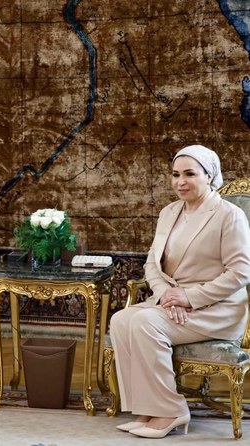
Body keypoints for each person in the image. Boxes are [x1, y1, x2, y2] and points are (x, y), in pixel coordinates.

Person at [109, 144, 250, 438]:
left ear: (209, 176)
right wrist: (164, 296)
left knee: (146, 323)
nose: (180, 182)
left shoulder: (229, 215)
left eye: (189, 174)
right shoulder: (169, 212)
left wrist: (189, 297)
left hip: (216, 309)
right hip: (171, 301)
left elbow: (240, 273)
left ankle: (171, 410)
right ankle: (147, 410)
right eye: (175, 174)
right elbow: (152, 262)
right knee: (121, 320)